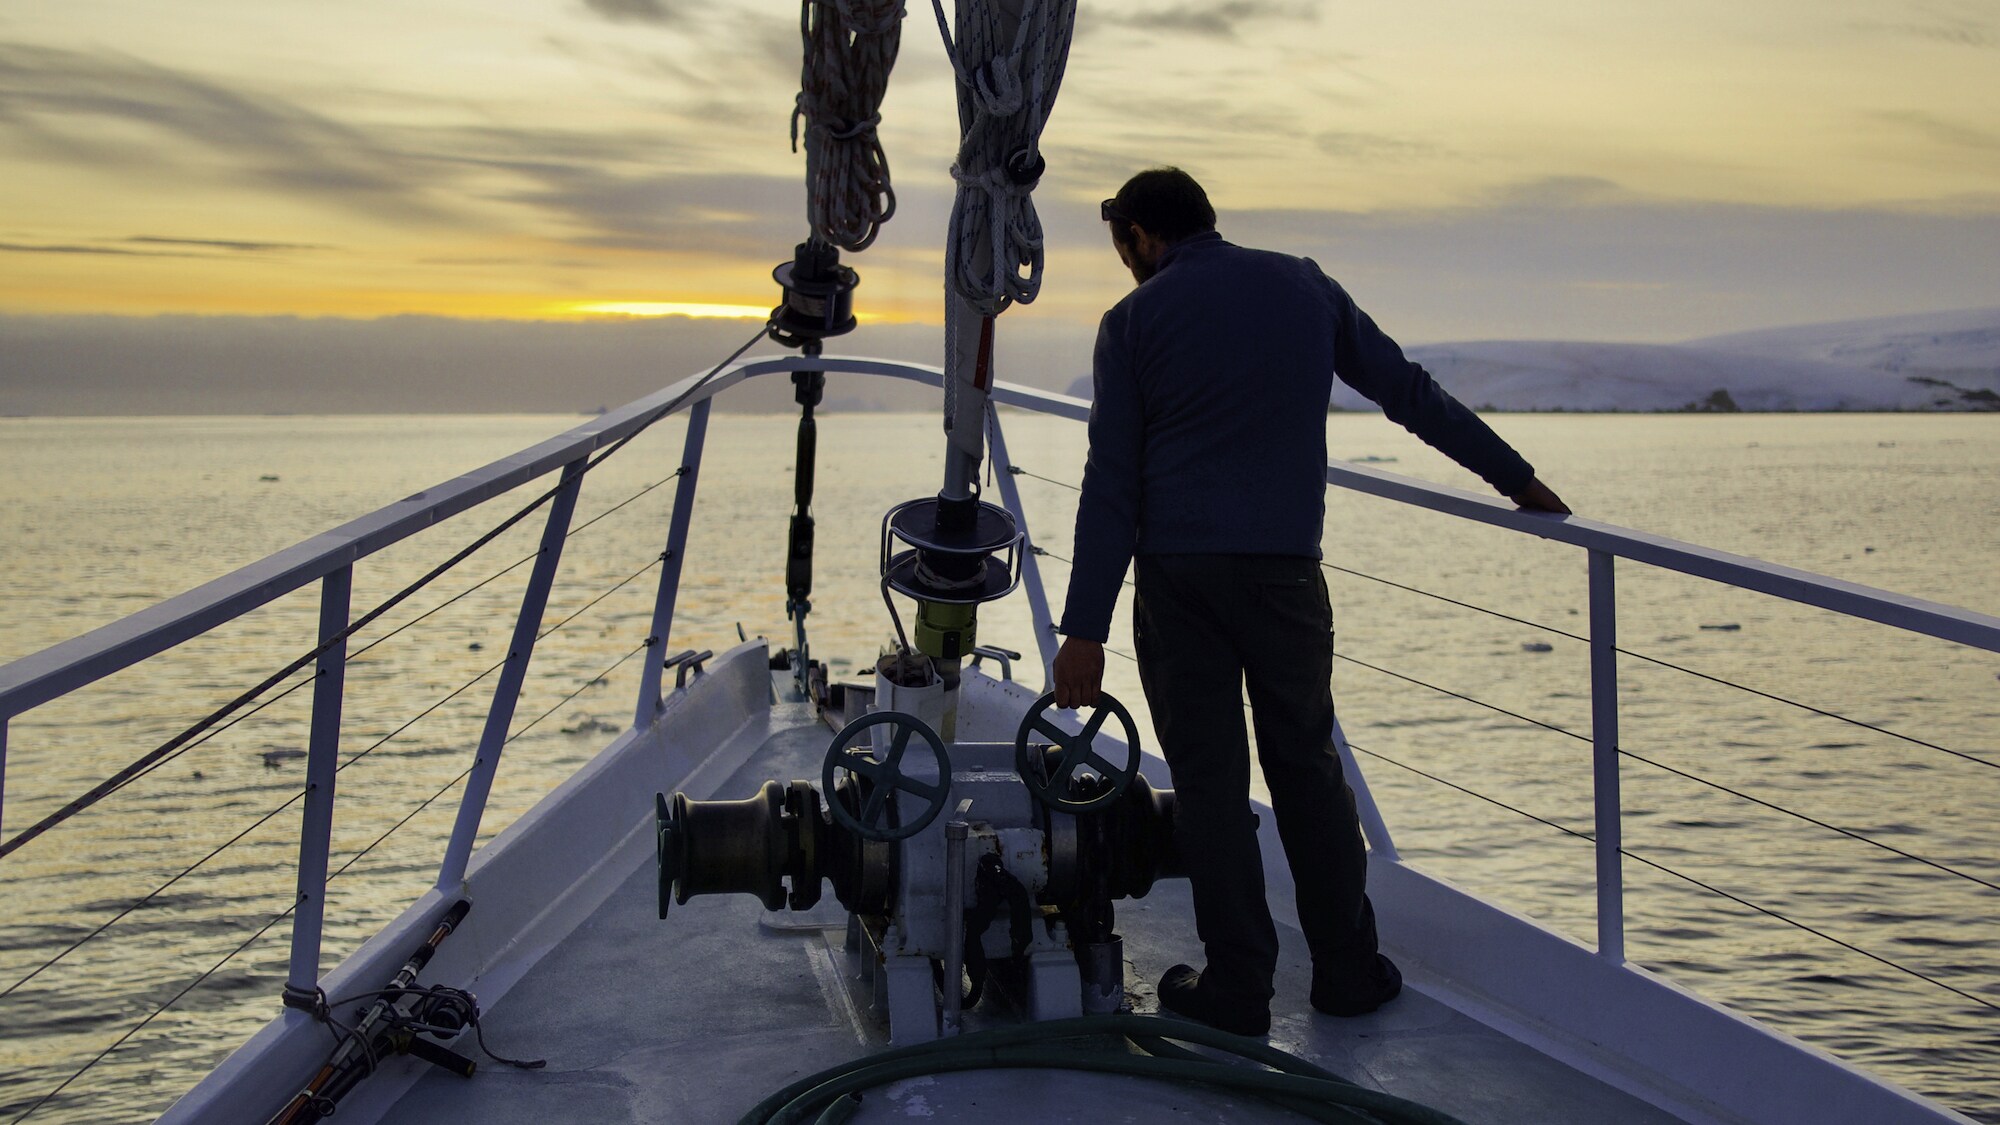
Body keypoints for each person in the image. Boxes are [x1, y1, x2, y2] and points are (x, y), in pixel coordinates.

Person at [1052, 167, 1569, 1037]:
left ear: (1140, 235)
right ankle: (1347, 969)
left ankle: (1239, 985)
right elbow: (1410, 392)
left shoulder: (1132, 322)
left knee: (1213, 784)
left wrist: (1083, 632)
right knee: (1308, 767)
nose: (1126, 263)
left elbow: (1112, 486)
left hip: (1180, 586)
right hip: (1287, 577)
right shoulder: (1304, 285)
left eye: (1123, 246)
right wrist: (1518, 479)